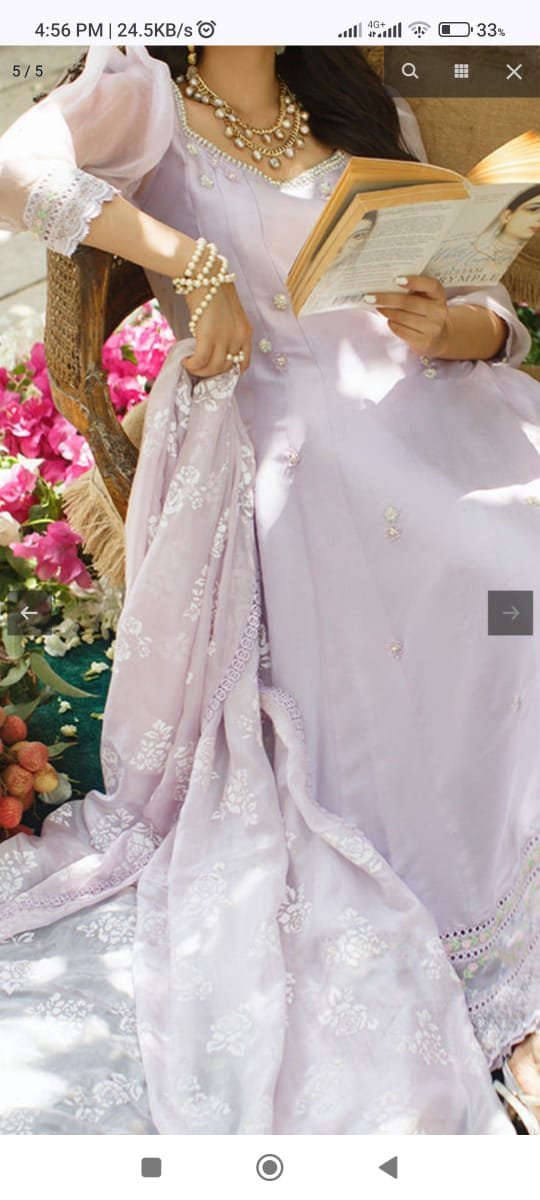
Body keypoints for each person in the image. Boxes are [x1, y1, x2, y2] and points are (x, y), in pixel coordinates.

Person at [0, 43, 538, 1136]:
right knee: (492, 583)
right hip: (290, 437)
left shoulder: (355, 97)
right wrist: (188, 261)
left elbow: (478, 301)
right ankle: (490, 945)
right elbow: (18, 173)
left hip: (444, 407)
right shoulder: (142, 92)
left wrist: (455, 325)